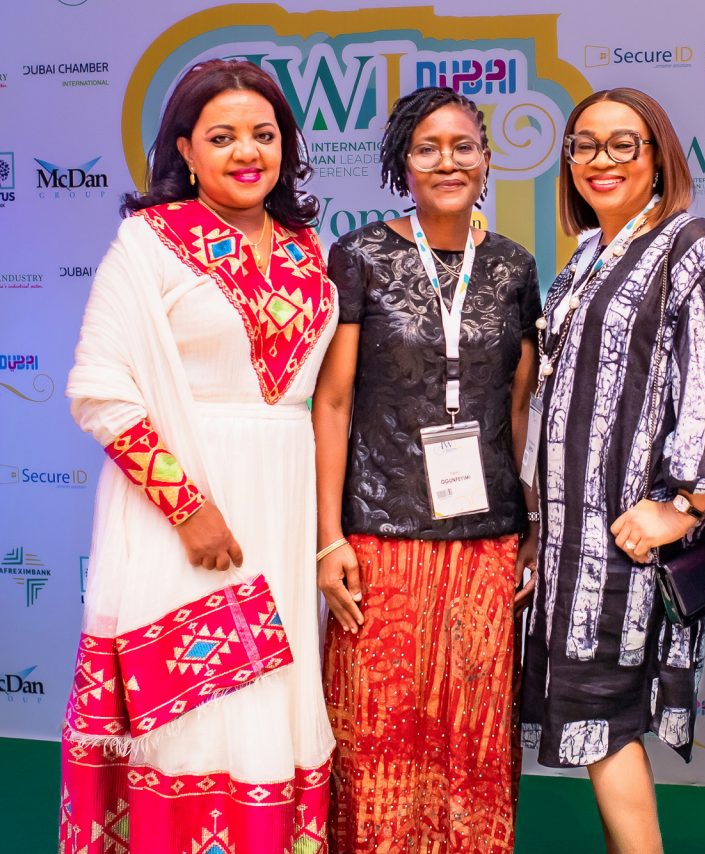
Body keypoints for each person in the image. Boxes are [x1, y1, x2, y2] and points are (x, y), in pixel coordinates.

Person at [59, 59, 335, 852]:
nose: (247, 152)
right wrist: (189, 510)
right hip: (181, 514)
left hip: (279, 505)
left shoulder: (307, 249)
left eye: (263, 134)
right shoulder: (148, 243)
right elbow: (100, 391)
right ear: (185, 149)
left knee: (269, 699)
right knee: (194, 707)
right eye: (222, 137)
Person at [521, 88, 705, 854]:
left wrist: (684, 507)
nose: (601, 160)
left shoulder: (693, 247)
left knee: (607, 722)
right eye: (584, 144)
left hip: (627, 544)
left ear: (658, 155)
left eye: (622, 143)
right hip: (570, 545)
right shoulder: (588, 255)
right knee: (598, 723)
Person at [312, 86, 540, 853]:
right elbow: (333, 405)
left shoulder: (512, 267)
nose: (448, 162)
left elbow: (518, 409)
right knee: (374, 737)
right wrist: (328, 538)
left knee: (472, 745)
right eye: (427, 148)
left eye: (463, 146)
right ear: (402, 165)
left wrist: (530, 525)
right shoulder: (362, 257)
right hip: (380, 540)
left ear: (487, 158)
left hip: (485, 543)